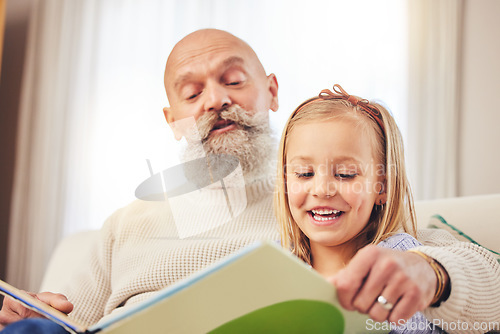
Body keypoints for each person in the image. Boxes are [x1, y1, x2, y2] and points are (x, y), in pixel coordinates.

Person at [1, 29, 499, 333]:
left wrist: (430, 273)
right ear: (171, 118)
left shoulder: (318, 206)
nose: (215, 100)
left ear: (272, 91)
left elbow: (478, 277)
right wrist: (33, 316)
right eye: (192, 92)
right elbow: (66, 322)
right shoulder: (121, 228)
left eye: (234, 80)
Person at [275, 84, 443, 333]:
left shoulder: (402, 260)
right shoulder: (277, 259)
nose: (322, 189)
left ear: (382, 187)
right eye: (304, 173)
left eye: (345, 174)